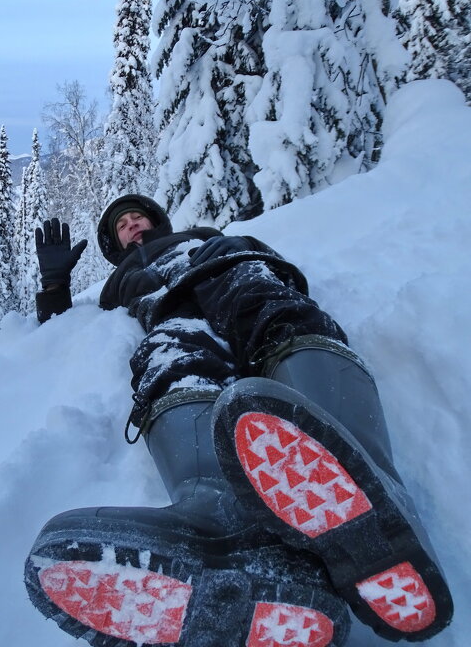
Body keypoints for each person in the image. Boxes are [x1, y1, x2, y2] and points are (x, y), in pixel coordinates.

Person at [24, 194, 452, 647]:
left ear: (157, 221)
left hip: (223, 269)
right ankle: (228, 525)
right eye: (122, 225)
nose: (132, 225)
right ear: (115, 244)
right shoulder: (117, 284)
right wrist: (54, 285)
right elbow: (62, 330)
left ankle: (368, 482)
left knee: (272, 312)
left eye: (137, 217)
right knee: (172, 361)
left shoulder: (204, 239)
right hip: (167, 308)